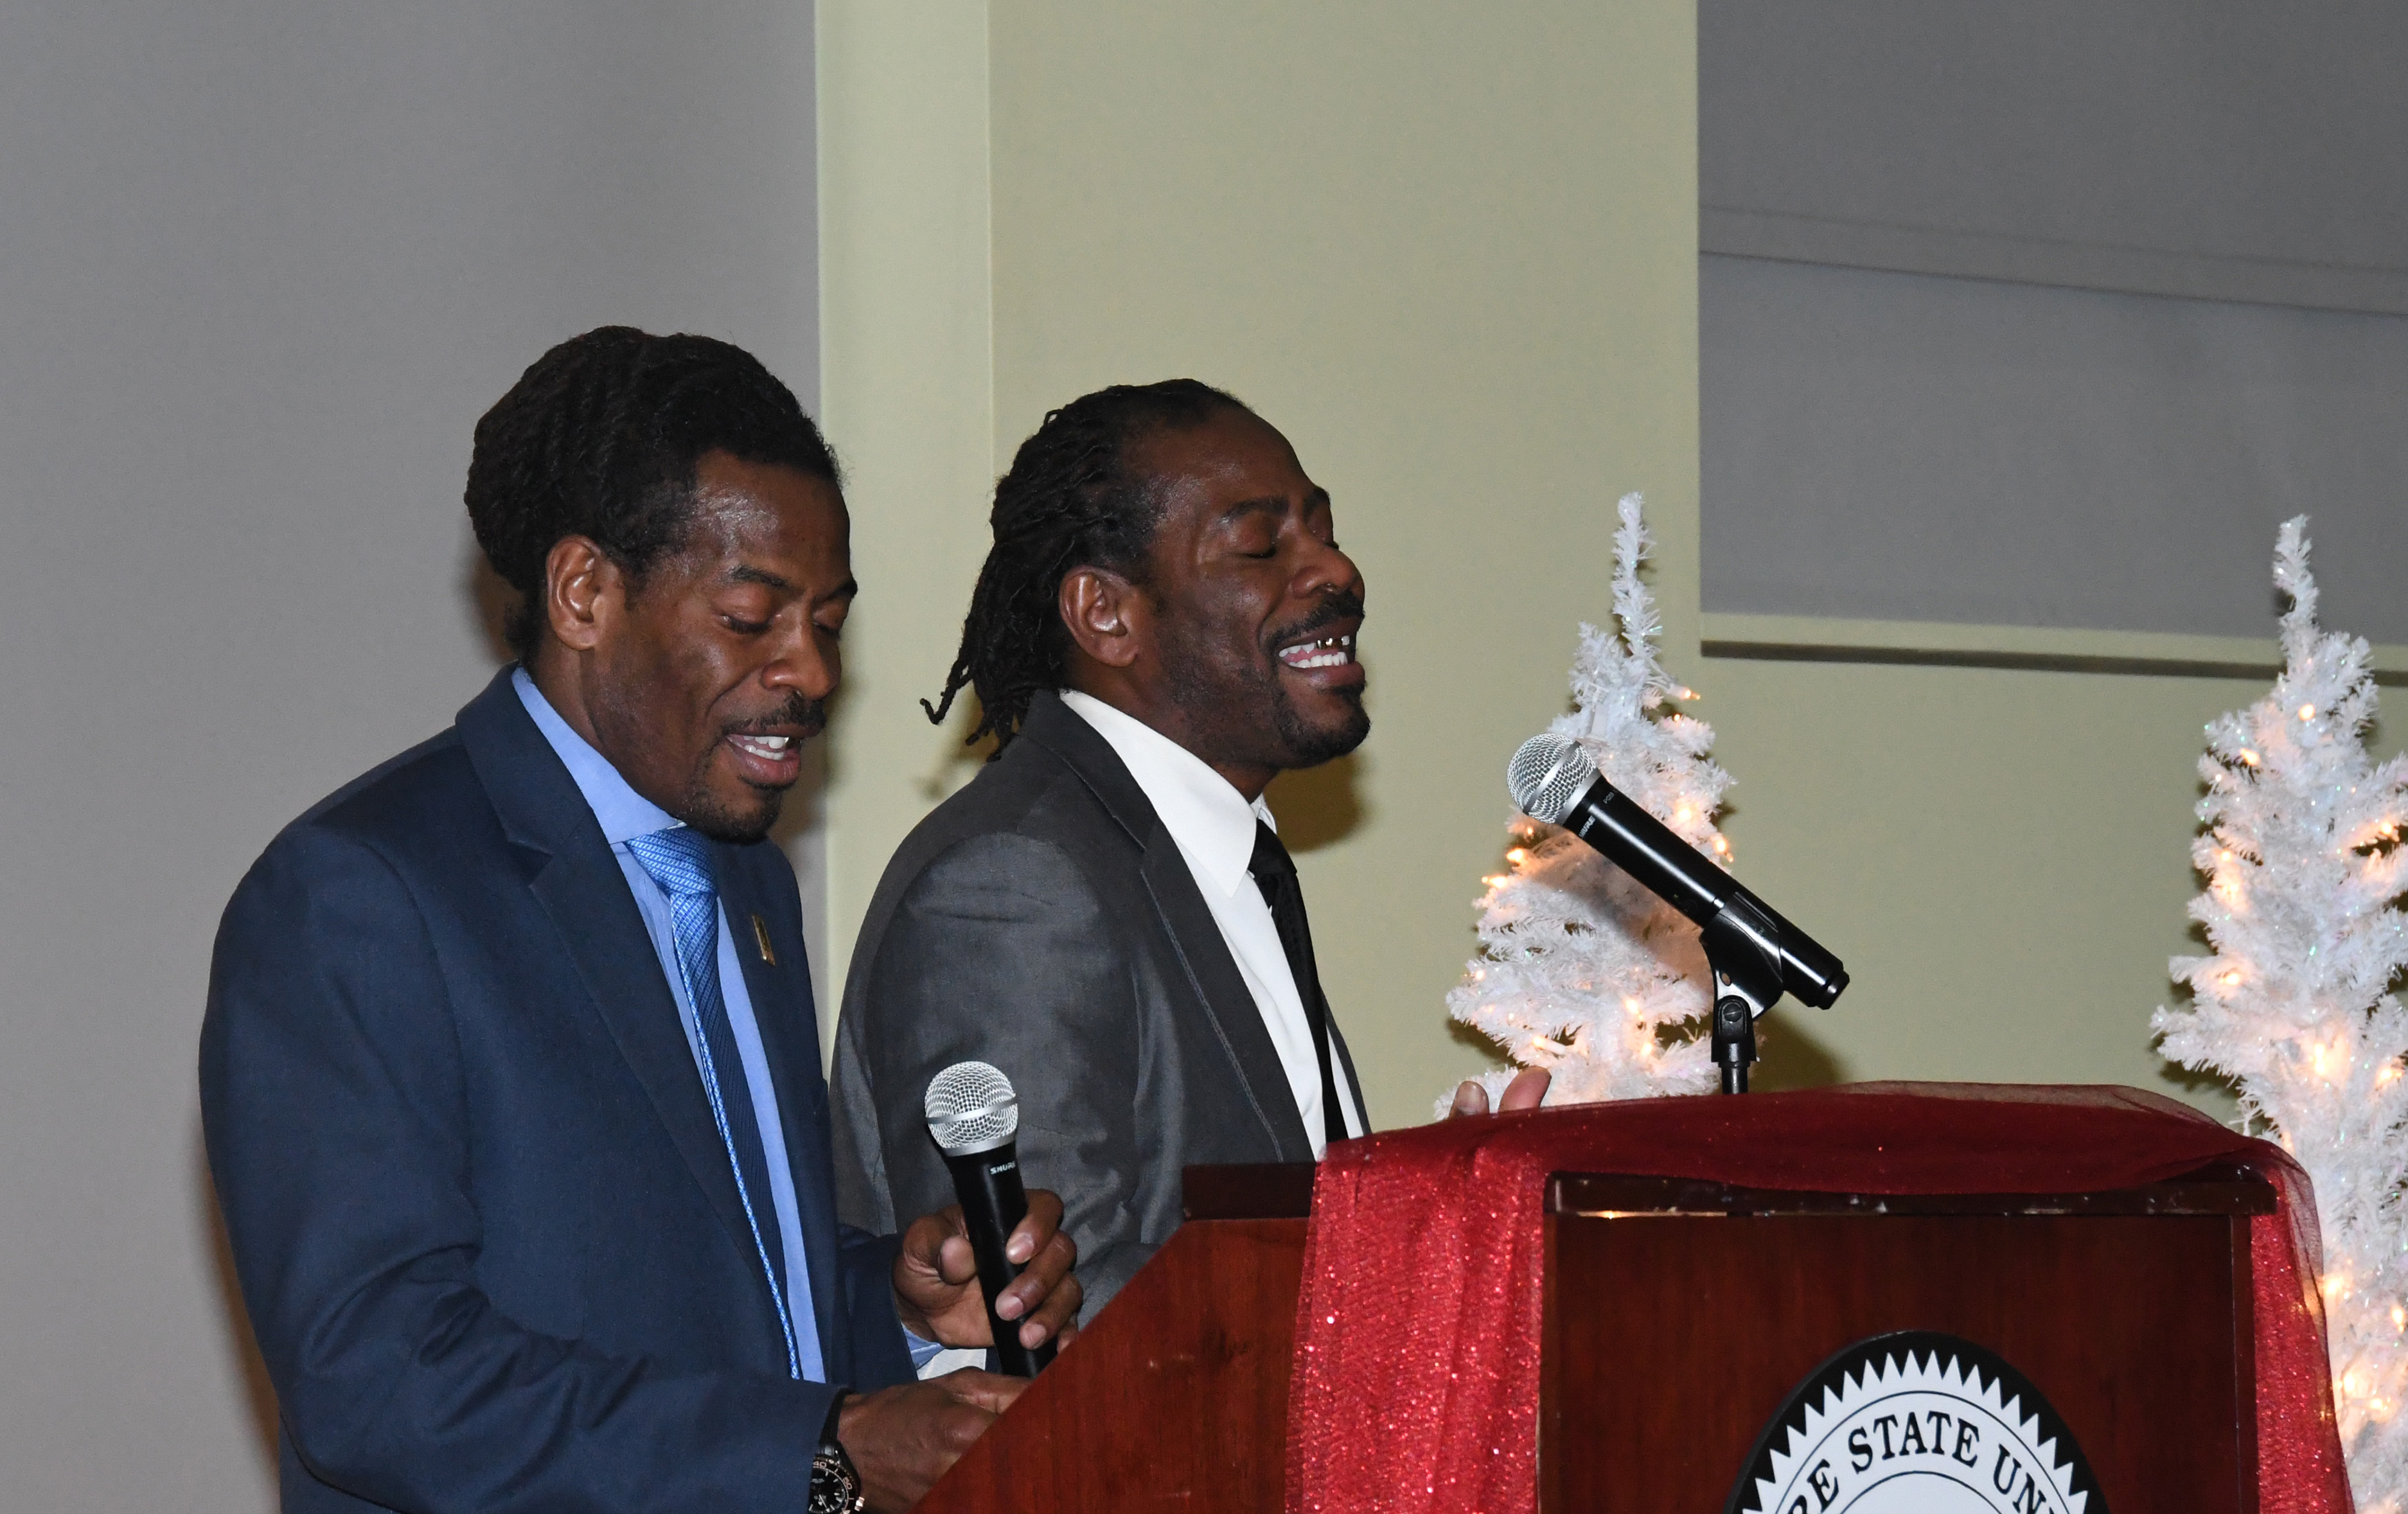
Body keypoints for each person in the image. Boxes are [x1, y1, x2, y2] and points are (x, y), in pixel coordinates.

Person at [200, 328, 1079, 1514]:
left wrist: (901, 1308)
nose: (811, 671)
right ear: (584, 593)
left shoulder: (742, 877)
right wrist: (826, 1446)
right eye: (753, 614)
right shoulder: (363, 894)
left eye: (826, 619)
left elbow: (729, 1296)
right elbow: (381, 1379)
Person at [831, 380, 1544, 1319]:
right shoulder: (1015, 886)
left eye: (1325, 531)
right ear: (1106, 615)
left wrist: (1431, 1220)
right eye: (1262, 544)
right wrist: (1408, 1284)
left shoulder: (1212, 854)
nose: (1335, 571)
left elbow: (1256, 1235)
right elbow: (1060, 1322)